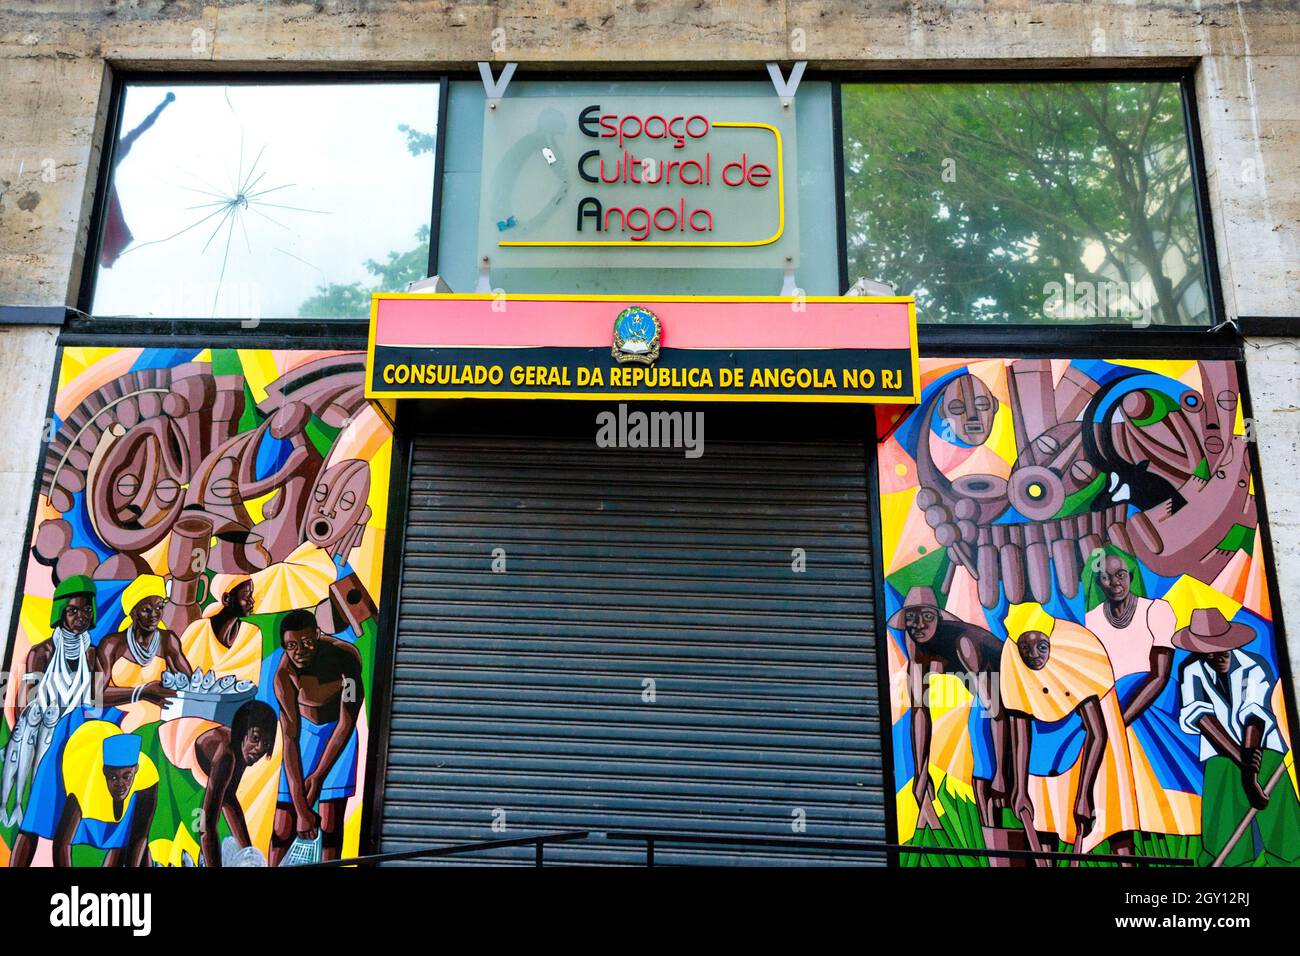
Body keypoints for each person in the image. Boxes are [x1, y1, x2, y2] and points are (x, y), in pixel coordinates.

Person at [1083, 548, 1203, 841]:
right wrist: (1108, 722)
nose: (1115, 582)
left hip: (1153, 705)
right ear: (1098, 583)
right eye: (1106, 577)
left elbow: (1160, 675)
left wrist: (1120, 721)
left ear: (1132, 576)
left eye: (1121, 574)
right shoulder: (1092, 620)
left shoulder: (1156, 610)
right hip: (1109, 708)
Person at [1000, 613, 1140, 862]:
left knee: (1111, 823)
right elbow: (1019, 736)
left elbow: (1098, 733)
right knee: (1044, 823)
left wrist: (1084, 794)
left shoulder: (1075, 665)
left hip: (1091, 749)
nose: (1033, 654)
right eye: (1025, 647)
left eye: (1041, 646)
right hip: (1047, 749)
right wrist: (1020, 789)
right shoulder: (1014, 672)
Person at [1175, 608, 1300, 866]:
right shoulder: (1191, 670)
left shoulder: (1254, 666)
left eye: (1221, 648)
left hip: (1262, 749)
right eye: (1208, 650)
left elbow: (1254, 716)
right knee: (1224, 829)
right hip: (1220, 754)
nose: (1216, 656)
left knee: (1283, 829)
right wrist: (1242, 765)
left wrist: (1250, 771)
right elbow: (1202, 718)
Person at [890, 587, 1009, 854]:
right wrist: (921, 774)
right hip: (986, 699)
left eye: (927, 617)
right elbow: (920, 710)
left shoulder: (964, 643)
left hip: (1007, 691)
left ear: (938, 618)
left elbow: (997, 710)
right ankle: (990, 851)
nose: (918, 625)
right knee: (981, 782)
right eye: (911, 617)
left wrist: (1001, 771)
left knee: (995, 780)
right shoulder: (915, 644)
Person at [4, 576, 100, 864]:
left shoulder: (91, 653)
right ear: (60, 612)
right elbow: (25, 705)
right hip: (43, 744)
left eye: (86, 611)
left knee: (68, 823)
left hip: (76, 743)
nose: (80, 618)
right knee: (33, 819)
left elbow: (93, 701)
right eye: (73, 611)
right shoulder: (41, 652)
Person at [270, 609, 364, 865]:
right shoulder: (283, 676)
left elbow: (347, 721)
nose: (299, 650)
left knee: (330, 824)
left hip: (339, 738)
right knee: (283, 826)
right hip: (304, 739)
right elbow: (289, 739)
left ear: (318, 634)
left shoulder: (346, 657)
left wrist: (319, 777)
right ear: (284, 647)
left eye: (306, 642)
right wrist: (302, 808)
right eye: (291, 646)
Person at [52, 722, 158, 867]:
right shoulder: (84, 788)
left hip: (112, 747)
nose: (120, 784)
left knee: (136, 839)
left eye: (126, 777)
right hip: (78, 749)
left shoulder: (148, 777)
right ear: (104, 772)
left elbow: (140, 836)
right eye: (113, 777)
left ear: (136, 769)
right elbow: (61, 843)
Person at [95, 573, 190, 730]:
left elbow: (188, 683)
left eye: (159, 607)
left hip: (161, 722)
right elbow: (97, 695)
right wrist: (142, 692)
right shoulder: (112, 644)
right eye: (146, 609)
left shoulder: (168, 640)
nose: (154, 615)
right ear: (132, 612)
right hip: (116, 722)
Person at [193, 700, 277, 867]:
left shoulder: (242, 751)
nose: (259, 748)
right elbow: (207, 827)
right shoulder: (226, 756)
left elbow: (229, 799)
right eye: (255, 738)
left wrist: (249, 853)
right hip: (174, 755)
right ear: (242, 733)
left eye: (266, 743)